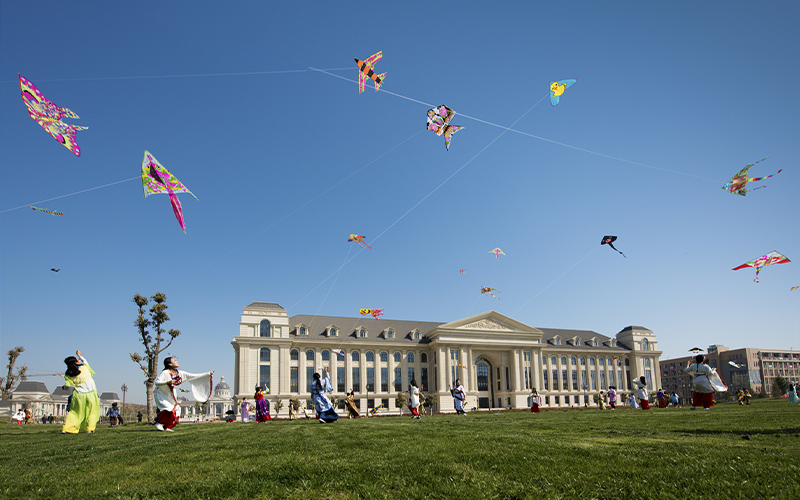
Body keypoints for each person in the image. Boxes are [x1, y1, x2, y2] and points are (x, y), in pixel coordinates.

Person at [154, 356, 213, 432]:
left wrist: (207, 373)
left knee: (175, 409)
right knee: (169, 408)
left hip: (170, 394)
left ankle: (167, 426)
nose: (177, 361)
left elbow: (193, 376)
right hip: (162, 393)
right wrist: (168, 382)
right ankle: (159, 423)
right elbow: (157, 383)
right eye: (174, 360)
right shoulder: (165, 373)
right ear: (170, 364)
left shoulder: (179, 373)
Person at [60, 349, 101, 434]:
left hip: (79, 395)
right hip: (91, 393)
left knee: (75, 412)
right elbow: (85, 361)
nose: (79, 360)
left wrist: (64, 387)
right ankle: (89, 428)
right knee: (92, 411)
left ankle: (67, 428)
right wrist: (80, 355)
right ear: (76, 362)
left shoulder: (69, 374)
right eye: (77, 360)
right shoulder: (85, 368)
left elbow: (67, 386)